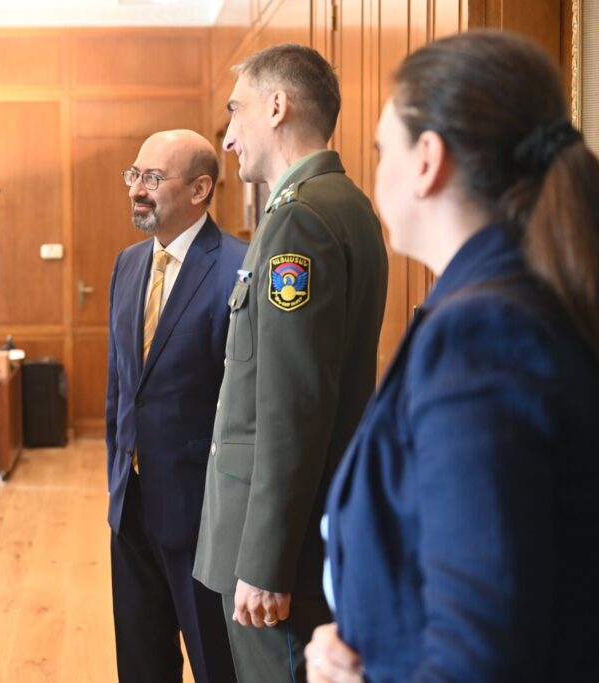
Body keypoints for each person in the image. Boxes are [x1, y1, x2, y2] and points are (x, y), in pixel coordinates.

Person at [306, 30, 599, 683]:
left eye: (381, 147)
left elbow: (481, 653)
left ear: (426, 160)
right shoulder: (507, 298)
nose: (376, 166)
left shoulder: (481, 334)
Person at [192, 44, 388, 682]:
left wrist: (265, 561)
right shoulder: (340, 203)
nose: (227, 138)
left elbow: (292, 406)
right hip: (302, 529)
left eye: (235, 111)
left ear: (276, 106)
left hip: (278, 547)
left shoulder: (299, 220)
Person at [107, 129, 245, 683]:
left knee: (215, 664)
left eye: (152, 178)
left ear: (200, 189)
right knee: (141, 664)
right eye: (134, 175)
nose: (136, 189)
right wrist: (117, 477)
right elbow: (122, 387)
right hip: (131, 505)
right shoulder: (127, 264)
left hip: (200, 514)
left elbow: (243, 402)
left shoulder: (238, 266)